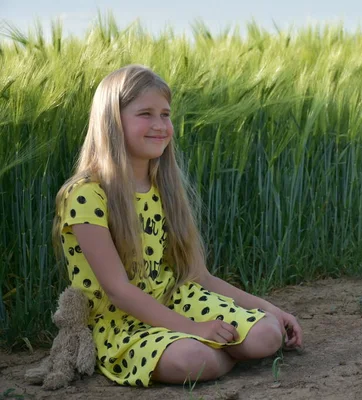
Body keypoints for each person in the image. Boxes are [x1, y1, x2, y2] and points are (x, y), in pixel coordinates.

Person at [52, 64, 303, 387]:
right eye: (145, 114)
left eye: (166, 114)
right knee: (194, 361)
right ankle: (216, 353)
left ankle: (219, 354)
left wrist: (272, 308)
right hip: (123, 321)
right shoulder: (86, 194)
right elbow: (119, 291)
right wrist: (195, 329)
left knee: (269, 333)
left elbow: (198, 276)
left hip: (176, 298)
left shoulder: (164, 188)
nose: (160, 125)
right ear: (112, 121)